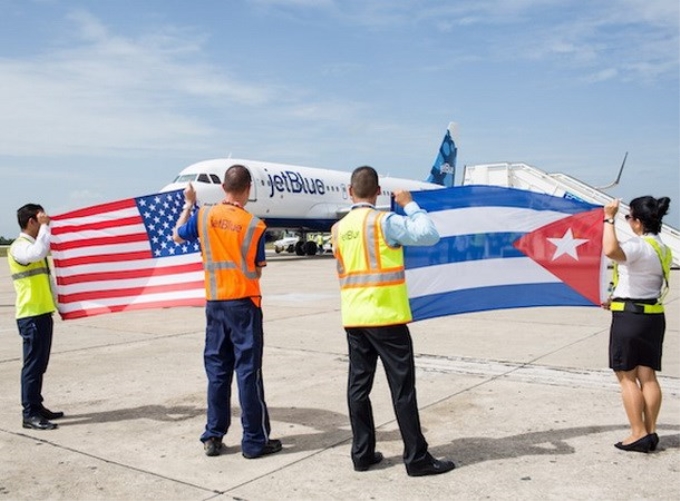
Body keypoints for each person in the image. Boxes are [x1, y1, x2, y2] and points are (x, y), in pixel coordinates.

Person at [331, 166, 456, 476]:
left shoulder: (338, 228)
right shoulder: (383, 221)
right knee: (402, 389)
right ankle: (416, 457)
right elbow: (429, 234)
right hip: (385, 317)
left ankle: (362, 453)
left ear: (350, 192)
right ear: (378, 193)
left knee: (358, 387)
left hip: (354, 317)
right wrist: (410, 204)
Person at [173, 164, 282, 459]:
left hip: (215, 304)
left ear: (223, 187)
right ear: (248, 189)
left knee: (218, 373)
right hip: (244, 305)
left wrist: (188, 205)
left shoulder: (203, 215)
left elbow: (177, 237)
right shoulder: (255, 225)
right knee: (248, 373)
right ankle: (254, 441)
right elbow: (256, 273)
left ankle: (213, 436)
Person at [602, 196, 672, 453]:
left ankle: (637, 433)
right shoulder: (662, 247)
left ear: (639, 222)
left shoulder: (638, 245)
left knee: (627, 377)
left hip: (629, 318)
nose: (628, 222)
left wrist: (608, 218)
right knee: (648, 376)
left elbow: (610, 251)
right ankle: (650, 431)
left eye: (629, 217)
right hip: (652, 316)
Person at [8, 204, 64, 430]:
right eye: (41, 217)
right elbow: (38, 252)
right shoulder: (20, 247)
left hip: (42, 313)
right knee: (32, 366)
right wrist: (45, 227)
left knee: (40, 365)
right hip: (30, 315)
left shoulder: (33, 245)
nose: (46, 220)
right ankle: (29, 413)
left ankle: (37, 406)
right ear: (31, 221)